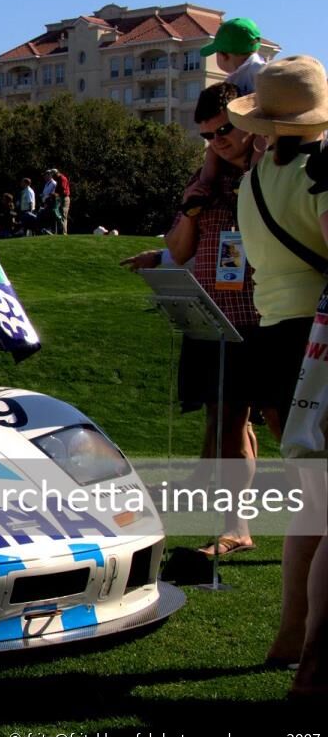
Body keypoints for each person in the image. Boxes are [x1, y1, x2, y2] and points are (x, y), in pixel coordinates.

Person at [120, 83, 262, 559]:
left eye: (226, 129)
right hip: (212, 319)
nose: (219, 140)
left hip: (266, 319)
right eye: (208, 135)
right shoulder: (205, 183)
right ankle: (235, 525)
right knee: (226, 424)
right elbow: (181, 250)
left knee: (282, 428)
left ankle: (263, 526)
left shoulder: (272, 172)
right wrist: (193, 202)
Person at [227, 55, 328, 698]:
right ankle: (315, 664)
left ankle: (291, 637)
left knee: (312, 506)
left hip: (274, 336)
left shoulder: (256, 175)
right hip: (319, 340)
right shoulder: (324, 170)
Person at [184, 18, 269, 214]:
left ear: (224, 55)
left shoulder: (255, 73)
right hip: (249, 126)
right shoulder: (259, 69)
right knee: (215, 143)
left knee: (258, 140)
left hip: (258, 128)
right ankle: (207, 186)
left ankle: (249, 179)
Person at [54, 170, 71, 235]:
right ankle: (60, 232)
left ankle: (64, 232)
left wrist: (56, 194)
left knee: (63, 215)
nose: (53, 177)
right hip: (61, 198)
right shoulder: (58, 179)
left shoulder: (62, 178)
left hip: (64, 198)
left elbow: (63, 190)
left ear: (57, 173)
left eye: (54, 175)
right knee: (59, 215)